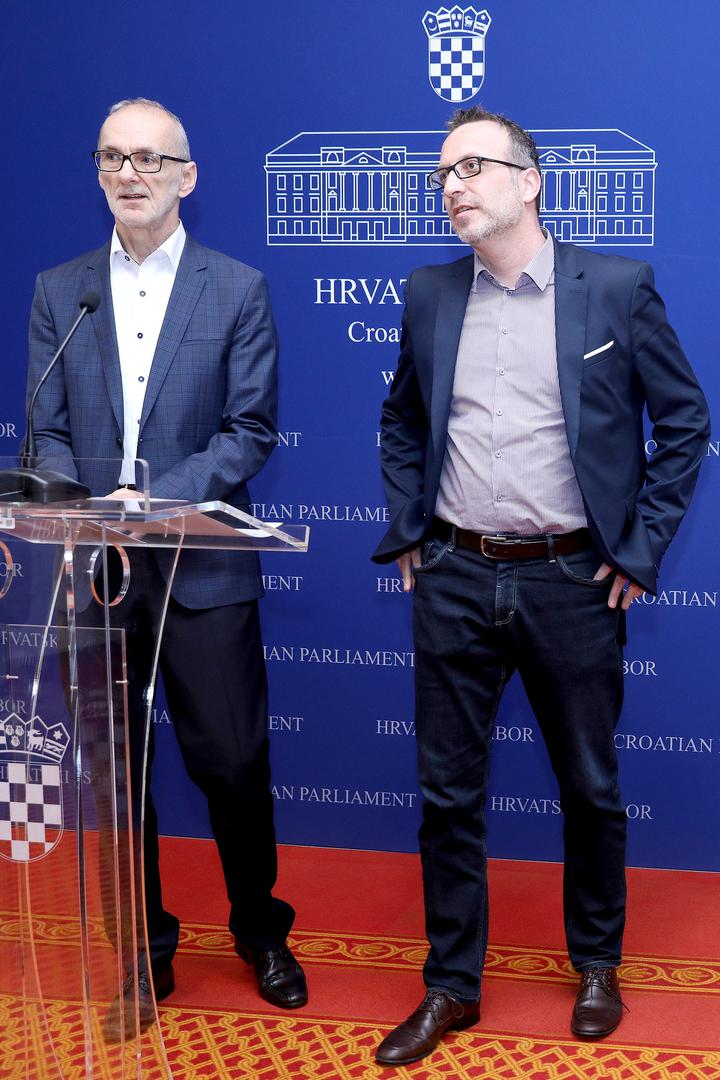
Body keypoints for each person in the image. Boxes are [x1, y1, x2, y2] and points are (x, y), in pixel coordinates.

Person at [372, 106, 709, 1066]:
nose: (454, 186)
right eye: (444, 174)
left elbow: (685, 423)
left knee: (590, 788)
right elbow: (401, 422)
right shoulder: (430, 293)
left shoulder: (617, 288)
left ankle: (597, 963)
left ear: (529, 181)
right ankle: (451, 985)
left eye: (473, 167)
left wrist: (638, 549)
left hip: (571, 579)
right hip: (454, 576)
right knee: (447, 795)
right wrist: (410, 525)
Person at [26, 98, 307, 1037]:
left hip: (200, 566)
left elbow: (249, 429)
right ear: (98, 172)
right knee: (117, 774)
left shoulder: (238, 288)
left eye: (149, 158)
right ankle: (144, 952)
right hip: (94, 572)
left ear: (187, 176)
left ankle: (261, 930)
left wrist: (150, 500)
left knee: (232, 761)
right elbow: (46, 430)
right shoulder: (61, 290)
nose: (129, 173)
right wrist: (84, 505)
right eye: (113, 156)